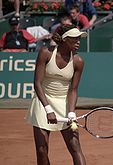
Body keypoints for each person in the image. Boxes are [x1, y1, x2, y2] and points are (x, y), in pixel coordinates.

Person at [25, 25, 87, 165]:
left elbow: (73, 90)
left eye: (79, 39)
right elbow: (37, 84)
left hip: (64, 104)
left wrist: (71, 113)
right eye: (74, 39)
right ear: (64, 40)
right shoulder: (45, 52)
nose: (78, 42)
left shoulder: (78, 61)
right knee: (42, 149)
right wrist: (48, 109)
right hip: (42, 103)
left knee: (75, 147)